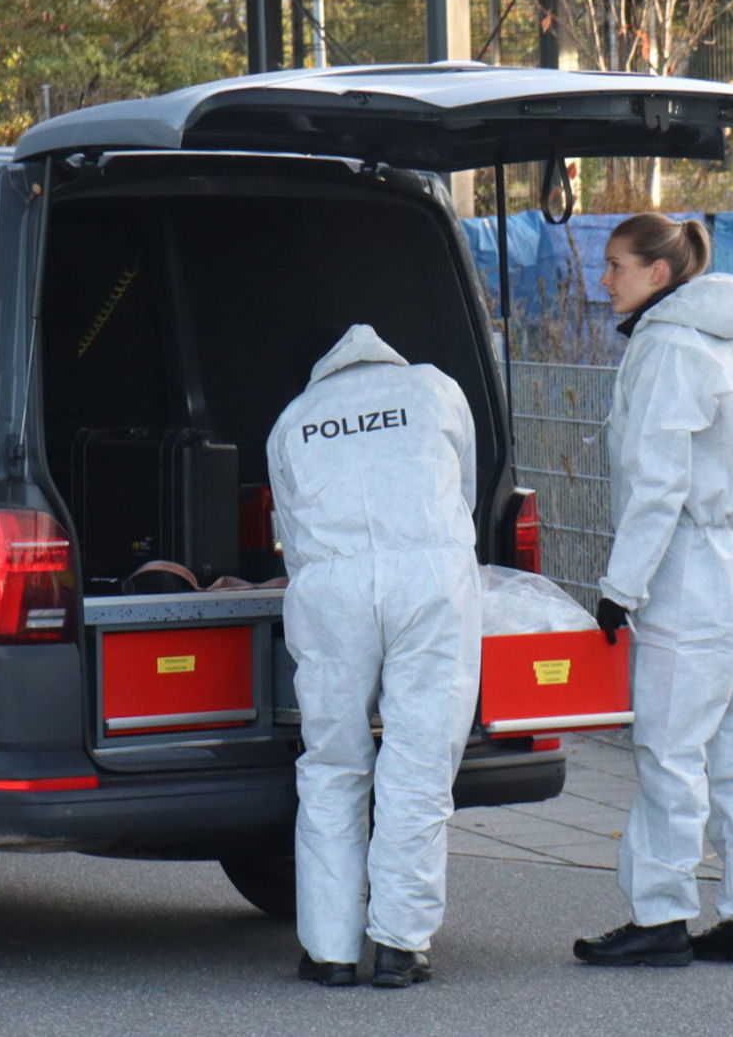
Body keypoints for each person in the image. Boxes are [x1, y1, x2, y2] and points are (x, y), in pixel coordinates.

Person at [573, 213, 733, 968]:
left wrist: (619, 586)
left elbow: (657, 484)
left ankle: (661, 914)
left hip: (686, 570)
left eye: (616, 265)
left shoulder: (666, 348)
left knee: (668, 748)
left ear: (658, 274)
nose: (605, 280)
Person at [266, 323, 482, 989]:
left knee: (332, 763)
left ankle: (329, 950)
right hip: (431, 580)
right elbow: (464, 491)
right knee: (418, 761)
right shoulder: (434, 390)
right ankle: (400, 943)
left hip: (332, 587)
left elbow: (289, 530)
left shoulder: (294, 420)